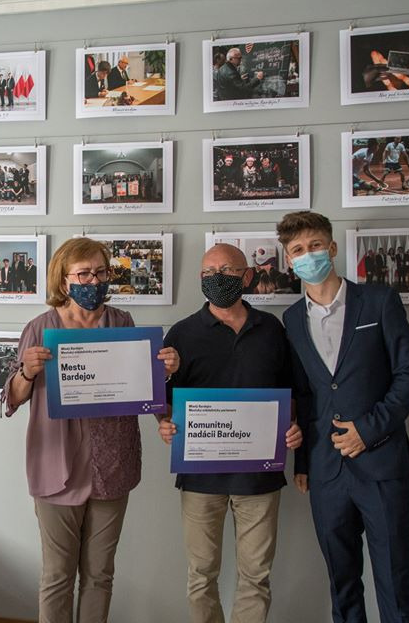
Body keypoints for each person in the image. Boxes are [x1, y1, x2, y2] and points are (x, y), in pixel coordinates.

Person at [0, 237, 179, 623]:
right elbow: (12, 399)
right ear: (63, 280)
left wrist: (162, 374)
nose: (93, 281)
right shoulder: (40, 328)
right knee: (57, 575)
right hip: (56, 466)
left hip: (112, 464)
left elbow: (141, 388)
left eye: (100, 272)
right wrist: (27, 372)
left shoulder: (122, 322)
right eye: (83, 274)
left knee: (100, 575)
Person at [276, 211, 409, 623]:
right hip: (326, 471)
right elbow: (306, 395)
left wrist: (368, 430)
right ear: (289, 260)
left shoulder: (379, 301)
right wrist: (303, 463)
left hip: (381, 463)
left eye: (315, 246)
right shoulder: (291, 319)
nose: (308, 255)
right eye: (298, 250)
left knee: (395, 583)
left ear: (332, 247)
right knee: (341, 586)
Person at [157, 243, 302, 623]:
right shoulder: (182, 333)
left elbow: (290, 391)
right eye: (208, 272)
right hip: (200, 477)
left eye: (226, 271)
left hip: (259, 477)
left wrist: (293, 426)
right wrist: (164, 424)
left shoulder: (272, 329)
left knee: (256, 576)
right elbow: (164, 399)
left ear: (248, 276)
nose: (216, 278)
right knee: (201, 574)